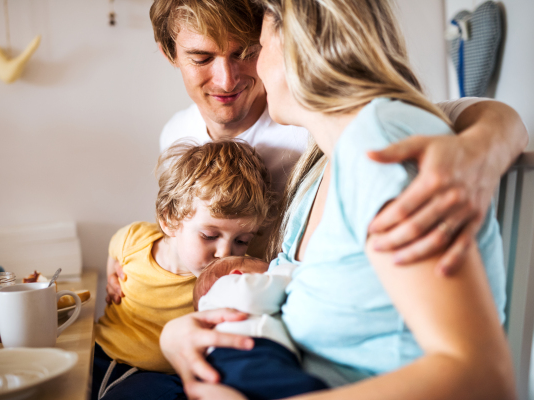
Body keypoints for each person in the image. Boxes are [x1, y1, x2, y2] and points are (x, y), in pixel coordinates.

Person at [160, 0, 516, 399]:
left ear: (293, 40)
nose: (248, 72)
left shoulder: (380, 147)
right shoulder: (322, 163)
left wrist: (485, 145)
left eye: (252, 51)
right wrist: (178, 333)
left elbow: (483, 375)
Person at [106, 0, 528, 304]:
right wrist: (128, 259)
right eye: (201, 57)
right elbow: (182, 225)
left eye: (246, 53)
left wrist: (478, 153)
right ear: (169, 53)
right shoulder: (176, 135)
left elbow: (473, 115)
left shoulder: (316, 124)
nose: (227, 77)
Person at [92, 140, 274, 400]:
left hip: (161, 376)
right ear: (169, 220)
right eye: (209, 235)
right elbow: (115, 248)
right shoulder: (135, 239)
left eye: (242, 241)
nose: (224, 253)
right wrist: (113, 276)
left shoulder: (229, 278)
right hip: (101, 352)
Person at [194, 256, 328, 399]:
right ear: (239, 276)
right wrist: (284, 272)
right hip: (241, 357)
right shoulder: (222, 289)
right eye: (266, 276)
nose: (270, 279)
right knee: (308, 389)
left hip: (260, 359)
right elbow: (250, 295)